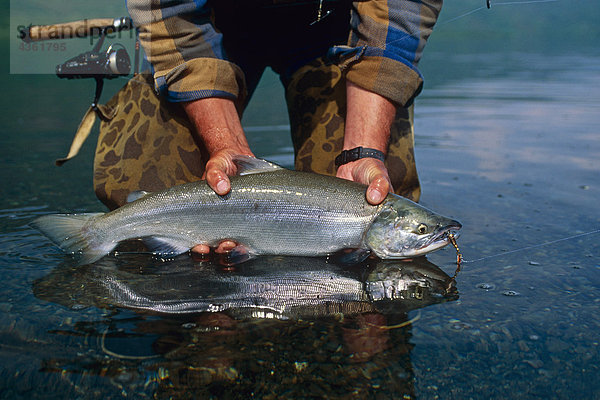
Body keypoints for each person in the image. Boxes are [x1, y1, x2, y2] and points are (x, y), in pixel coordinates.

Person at [98, 0, 441, 252]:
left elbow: (399, 9)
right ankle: (180, 335)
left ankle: (361, 342)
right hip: (211, 28)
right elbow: (170, 13)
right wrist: (224, 145)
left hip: (340, 30)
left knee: (373, 202)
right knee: (150, 184)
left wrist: (362, 150)